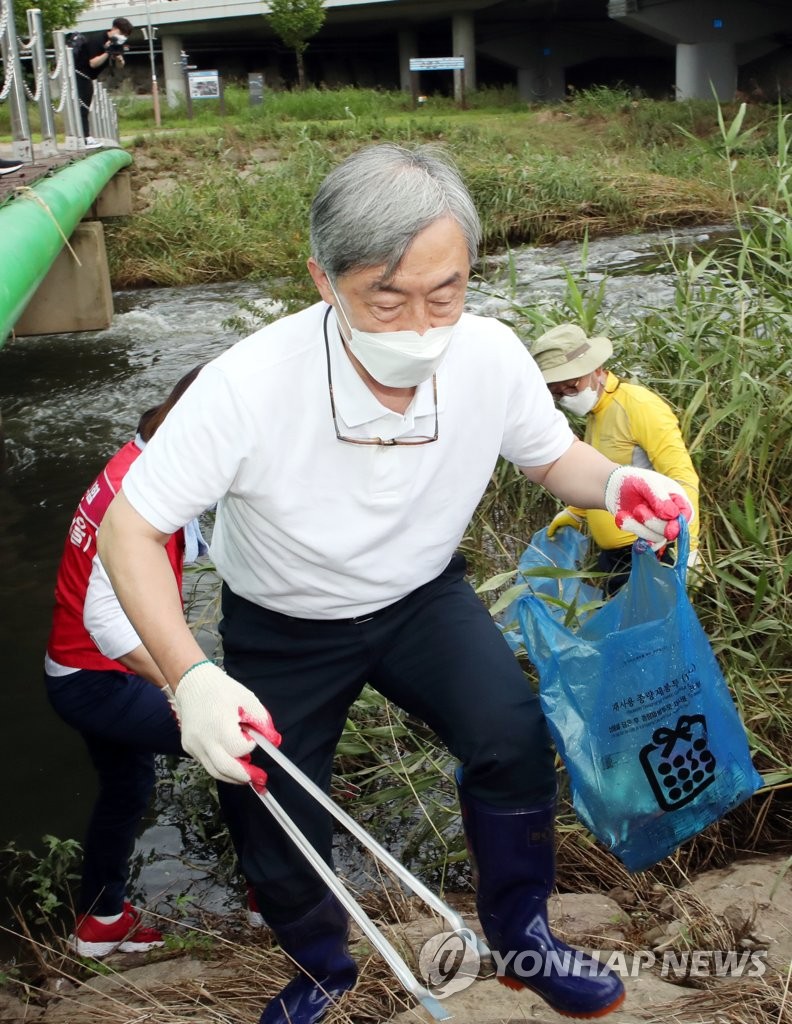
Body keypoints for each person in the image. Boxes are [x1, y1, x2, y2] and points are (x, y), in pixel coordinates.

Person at [97, 144, 693, 1023]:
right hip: (285, 621)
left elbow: (549, 455)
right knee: (268, 799)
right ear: (324, 279)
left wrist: (612, 484)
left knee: (511, 736)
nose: (421, 324)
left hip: (422, 599)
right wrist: (192, 678)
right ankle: (321, 972)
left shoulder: (489, 355)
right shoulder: (245, 387)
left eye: (444, 292)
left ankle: (523, 936)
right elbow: (130, 528)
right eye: (387, 295)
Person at [44, 367, 222, 957]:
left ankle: (100, 921)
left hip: (74, 673)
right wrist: (185, 683)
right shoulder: (141, 491)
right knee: (240, 750)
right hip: (96, 678)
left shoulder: (140, 456)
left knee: (126, 788)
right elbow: (107, 621)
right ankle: (274, 901)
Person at [531, 323, 700, 595]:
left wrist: (689, 549)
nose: (566, 397)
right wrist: (576, 512)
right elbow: (604, 472)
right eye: (557, 392)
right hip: (616, 558)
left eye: (572, 386)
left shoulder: (638, 406)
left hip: (648, 551)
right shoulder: (596, 413)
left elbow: (683, 477)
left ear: (596, 369)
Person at [69, 17, 133, 149]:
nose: (122, 38)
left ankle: (85, 137)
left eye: (125, 36)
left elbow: (120, 66)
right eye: (121, 34)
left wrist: (118, 58)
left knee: (86, 106)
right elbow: (93, 63)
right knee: (83, 107)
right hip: (80, 74)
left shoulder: (117, 44)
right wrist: (107, 52)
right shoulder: (97, 40)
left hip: (89, 77)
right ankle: (85, 138)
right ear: (114, 29)